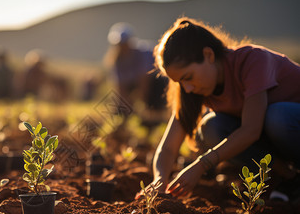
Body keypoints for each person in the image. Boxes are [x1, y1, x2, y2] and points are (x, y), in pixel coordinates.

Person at [142, 17, 300, 201]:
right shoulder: (195, 89)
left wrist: (201, 165)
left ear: (209, 55)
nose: (187, 88)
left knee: (277, 117)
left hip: (286, 123)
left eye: (188, 77)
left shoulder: (253, 60)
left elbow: (251, 130)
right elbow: (168, 147)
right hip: (276, 137)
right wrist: (160, 179)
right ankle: (289, 180)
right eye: (180, 82)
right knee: (212, 127)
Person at [104, 22, 167, 109]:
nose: (122, 47)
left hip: (154, 81)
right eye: (120, 44)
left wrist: (142, 103)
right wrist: (126, 104)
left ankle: (154, 110)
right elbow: (120, 86)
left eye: (124, 43)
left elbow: (144, 81)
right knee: (119, 104)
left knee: (155, 91)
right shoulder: (116, 60)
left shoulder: (143, 53)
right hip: (134, 83)